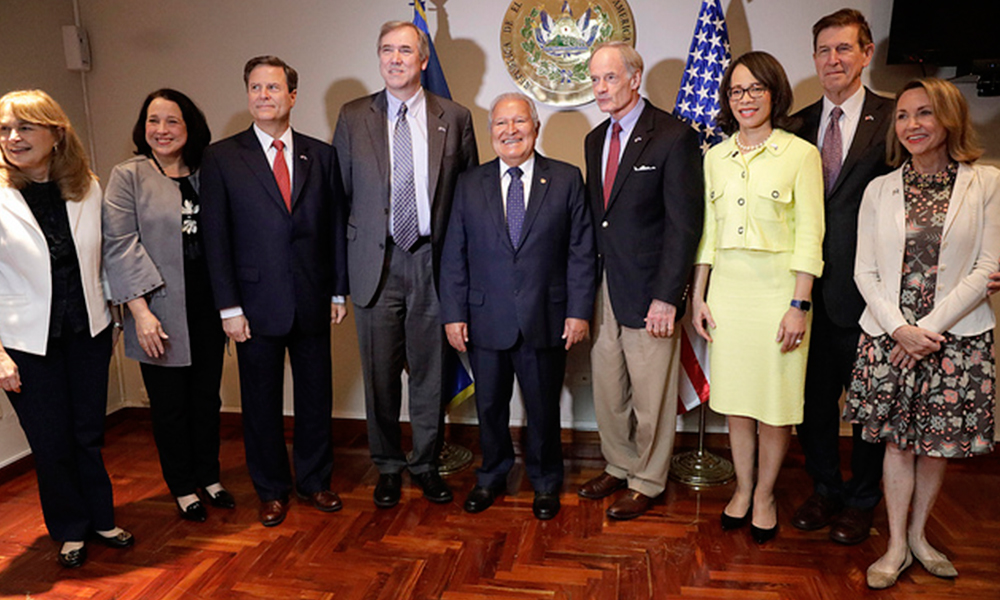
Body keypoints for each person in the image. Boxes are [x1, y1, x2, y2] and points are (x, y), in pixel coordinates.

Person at [844, 77, 998, 589]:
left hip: (954, 340)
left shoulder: (987, 183)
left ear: (949, 119)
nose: (912, 125)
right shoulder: (878, 188)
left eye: (925, 113)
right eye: (904, 115)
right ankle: (892, 545)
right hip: (889, 336)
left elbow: (987, 268)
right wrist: (900, 329)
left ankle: (919, 537)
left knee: (935, 446)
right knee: (896, 446)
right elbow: (863, 271)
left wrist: (926, 330)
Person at [332, 21, 478, 508]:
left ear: (422, 60)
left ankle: (425, 463)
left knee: (430, 375)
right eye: (386, 50)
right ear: (379, 58)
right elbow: (341, 200)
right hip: (376, 264)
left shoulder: (454, 117)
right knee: (379, 375)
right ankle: (388, 466)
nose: (395, 59)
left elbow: (469, 201)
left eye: (405, 51)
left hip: (431, 262)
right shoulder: (353, 117)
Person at [200, 56, 347, 527]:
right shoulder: (222, 157)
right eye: (256, 88)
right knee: (260, 402)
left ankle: (314, 481)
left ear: (293, 96)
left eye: (273, 87)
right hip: (252, 305)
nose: (264, 95)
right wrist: (228, 307)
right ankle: (271, 489)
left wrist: (338, 292)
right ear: (248, 95)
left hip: (311, 298)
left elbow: (335, 229)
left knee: (314, 397)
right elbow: (215, 237)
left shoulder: (320, 156)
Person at [440, 93, 595, 520]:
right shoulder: (470, 183)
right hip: (483, 318)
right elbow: (455, 252)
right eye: (500, 124)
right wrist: (453, 313)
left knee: (543, 408)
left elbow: (581, 253)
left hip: (546, 317)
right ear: (490, 133)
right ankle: (491, 475)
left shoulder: (565, 179)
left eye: (519, 121)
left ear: (536, 126)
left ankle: (545, 482)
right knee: (489, 406)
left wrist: (579, 310)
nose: (510, 131)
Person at [691, 51, 825, 544]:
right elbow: (706, 233)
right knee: (737, 404)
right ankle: (743, 490)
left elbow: (811, 234)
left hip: (778, 296)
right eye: (736, 91)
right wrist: (698, 295)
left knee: (775, 404)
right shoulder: (715, 157)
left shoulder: (800, 153)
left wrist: (799, 304)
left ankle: (766, 494)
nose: (745, 99)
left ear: (774, 94)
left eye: (755, 89)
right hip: (728, 294)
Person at [0, 90, 133, 567]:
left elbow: (100, 261)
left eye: (25, 127)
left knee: (88, 433)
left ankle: (101, 518)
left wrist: (112, 318)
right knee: (51, 441)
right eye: (4, 129)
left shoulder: (87, 186)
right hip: (24, 344)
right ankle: (70, 529)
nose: (13, 138)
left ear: (56, 133)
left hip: (88, 332)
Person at [579, 41, 703, 520]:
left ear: (635, 76)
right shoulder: (595, 141)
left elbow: (684, 225)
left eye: (609, 78)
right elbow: (600, 219)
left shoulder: (673, 136)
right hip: (604, 287)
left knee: (651, 397)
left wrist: (668, 297)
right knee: (609, 389)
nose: (600, 89)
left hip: (652, 290)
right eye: (594, 79)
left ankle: (648, 479)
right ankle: (619, 463)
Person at [103, 89, 233, 523]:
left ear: (189, 125)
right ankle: (181, 486)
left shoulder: (207, 170)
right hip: (157, 310)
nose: (161, 130)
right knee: (170, 406)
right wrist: (139, 314)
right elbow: (119, 247)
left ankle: (209, 476)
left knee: (205, 399)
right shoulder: (130, 175)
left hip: (207, 307)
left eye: (171, 121)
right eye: (153, 121)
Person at [788, 8, 893, 545]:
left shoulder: (896, 119)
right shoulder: (795, 125)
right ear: (814, 59)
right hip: (806, 292)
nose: (833, 59)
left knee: (870, 406)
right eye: (824, 51)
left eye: (844, 49)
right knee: (813, 403)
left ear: (866, 54)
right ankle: (826, 488)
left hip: (873, 297)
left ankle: (862, 500)